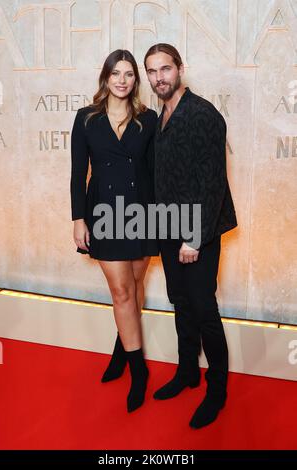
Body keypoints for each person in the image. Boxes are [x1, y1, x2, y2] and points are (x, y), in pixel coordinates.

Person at [144, 43, 238, 429]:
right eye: (152, 71)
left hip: (196, 232)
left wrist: (194, 239)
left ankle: (217, 389)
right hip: (168, 227)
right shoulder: (159, 116)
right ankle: (187, 372)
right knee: (180, 301)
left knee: (203, 307)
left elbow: (212, 182)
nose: (159, 77)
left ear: (180, 68)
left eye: (165, 69)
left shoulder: (202, 114)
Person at [70, 49, 159, 412]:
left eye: (129, 74)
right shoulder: (86, 119)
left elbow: (156, 171)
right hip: (103, 215)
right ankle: (139, 372)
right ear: (105, 77)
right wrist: (79, 218)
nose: (122, 80)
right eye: (115, 73)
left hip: (143, 214)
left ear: (135, 80)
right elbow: (78, 174)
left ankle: (122, 350)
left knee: (135, 287)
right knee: (121, 292)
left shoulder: (148, 118)